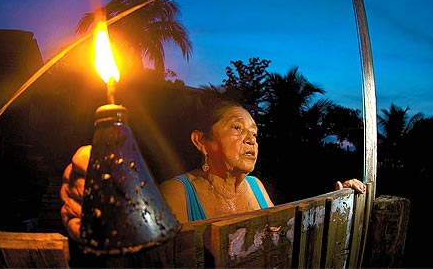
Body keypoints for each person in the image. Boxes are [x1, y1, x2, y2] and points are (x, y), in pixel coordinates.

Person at [60, 98, 366, 241]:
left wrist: (335, 205)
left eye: (255, 134)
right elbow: (148, 253)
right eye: (237, 127)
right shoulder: (177, 192)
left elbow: (281, 235)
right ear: (202, 142)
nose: (251, 139)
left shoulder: (256, 187)